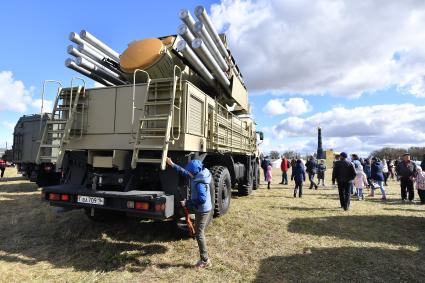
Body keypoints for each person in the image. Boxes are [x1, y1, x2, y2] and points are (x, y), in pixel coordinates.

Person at [166, 157, 212, 268]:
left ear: (194, 172)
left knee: (199, 233)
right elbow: (184, 172)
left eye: (190, 172)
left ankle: (205, 260)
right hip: (200, 208)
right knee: (197, 230)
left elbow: (202, 199)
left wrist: (187, 203)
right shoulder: (197, 175)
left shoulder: (200, 183)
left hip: (203, 210)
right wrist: (172, 164)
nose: (188, 174)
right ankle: (204, 259)